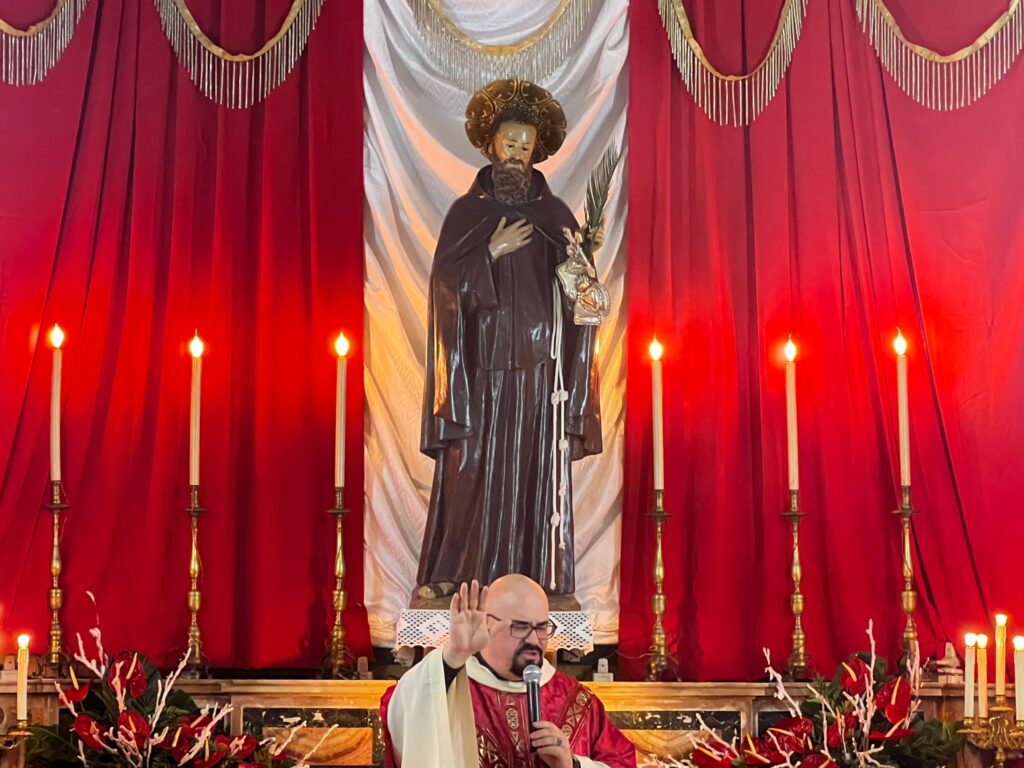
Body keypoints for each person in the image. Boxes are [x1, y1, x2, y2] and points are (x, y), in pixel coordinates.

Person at [417, 79, 602, 601]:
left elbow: (581, 300)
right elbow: (444, 289)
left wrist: (584, 275)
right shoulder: (466, 216)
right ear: (491, 146)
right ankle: (456, 571)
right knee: (469, 469)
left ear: (536, 152)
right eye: (509, 144)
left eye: (526, 146)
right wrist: (490, 253)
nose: (517, 155)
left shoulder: (556, 217)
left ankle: (538, 571)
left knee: (532, 473)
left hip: (542, 375)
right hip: (479, 372)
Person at [382, 575, 636, 767]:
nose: (534, 640)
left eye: (541, 628)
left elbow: (622, 761)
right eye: (521, 626)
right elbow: (402, 714)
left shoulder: (579, 702)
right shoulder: (451, 687)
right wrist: (455, 654)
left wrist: (573, 764)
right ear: (487, 625)